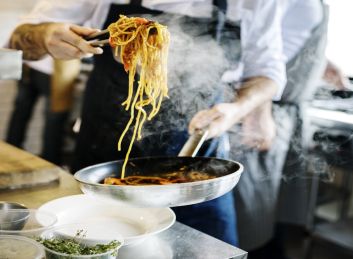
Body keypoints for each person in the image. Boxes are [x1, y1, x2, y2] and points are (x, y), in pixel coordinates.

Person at [7, 0, 286, 246]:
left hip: (196, 166)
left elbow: (267, 70)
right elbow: (18, 38)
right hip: (105, 155)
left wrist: (237, 108)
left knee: (211, 250)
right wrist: (44, 35)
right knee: (94, 245)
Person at [229, 0, 328, 257]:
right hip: (259, 109)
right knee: (251, 210)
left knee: (272, 206)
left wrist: (324, 63)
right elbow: (258, 51)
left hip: (286, 113)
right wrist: (259, 109)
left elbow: (289, 37)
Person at [5, 57, 80, 165]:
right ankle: (50, 165)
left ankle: (8, 157)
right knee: (54, 121)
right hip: (55, 71)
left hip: (29, 65)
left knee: (20, 114)